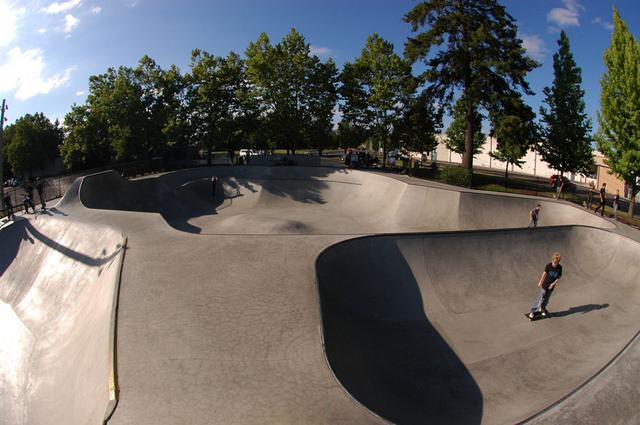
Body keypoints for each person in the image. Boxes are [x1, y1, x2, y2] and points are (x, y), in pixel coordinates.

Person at [528, 253, 563, 319]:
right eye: (553, 263)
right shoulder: (548, 266)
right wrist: (540, 282)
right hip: (545, 285)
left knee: (546, 300)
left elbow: (559, 277)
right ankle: (532, 311)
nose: (554, 264)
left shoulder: (560, 267)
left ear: (558, 262)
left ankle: (542, 309)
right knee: (540, 299)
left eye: (556, 263)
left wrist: (553, 284)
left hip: (551, 287)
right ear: (552, 260)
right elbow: (544, 274)